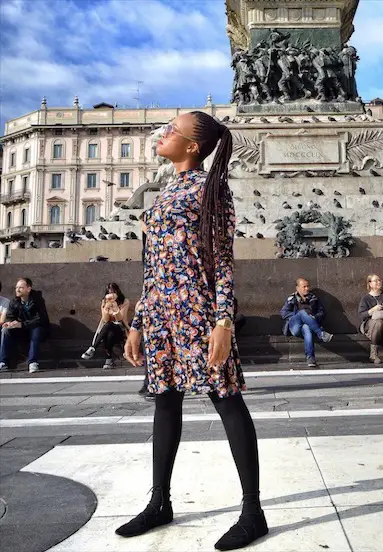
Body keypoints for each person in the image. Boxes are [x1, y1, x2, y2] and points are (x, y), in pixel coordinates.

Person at [116, 112, 268, 550]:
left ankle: (253, 512)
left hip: (198, 314)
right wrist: (139, 322)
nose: (162, 133)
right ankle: (159, 502)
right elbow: (153, 266)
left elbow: (222, 260)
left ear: (192, 147)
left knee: (227, 401)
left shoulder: (211, 190)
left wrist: (222, 321)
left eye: (172, 130)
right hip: (162, 315)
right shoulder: (166, 191)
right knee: (165, 402)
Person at [0, 278, 50, 374]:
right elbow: (10, 316)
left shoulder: (37, 300)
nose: (17, 290)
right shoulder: (14, 302)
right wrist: (9, 323)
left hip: (38, 331)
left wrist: (22, 324)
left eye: (21, 288)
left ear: (28, 289)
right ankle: (3, 362)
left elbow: (40, 319)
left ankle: (33, 362)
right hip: (22, 331)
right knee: (5, 330)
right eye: (16, 288)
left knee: (36, 330)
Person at [280, 278, 333, 368]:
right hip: (295, 326)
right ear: (297, 288)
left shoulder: (314, 298)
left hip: (309, 325)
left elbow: (321, 312)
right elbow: (284, 313)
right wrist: (297, 315)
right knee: (302, 313)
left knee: (307, 328)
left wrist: (314, 317)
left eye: (308, 286)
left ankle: (310, 357)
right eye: (304, 287)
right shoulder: (291, 299)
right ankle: (320, 333)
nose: (307, 288)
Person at [81, 283, 130, 370]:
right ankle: (108, 360)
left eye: (113, 291)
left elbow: (120, 319)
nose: (111, 293)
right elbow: (105, 319)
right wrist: (106, 308)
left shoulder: (125, 301)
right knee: (109, 330)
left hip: (120, 329)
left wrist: (115, 307)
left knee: (110, 326)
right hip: (108, 329)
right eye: (109, 291)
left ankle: (93, 347)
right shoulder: (104, 302)